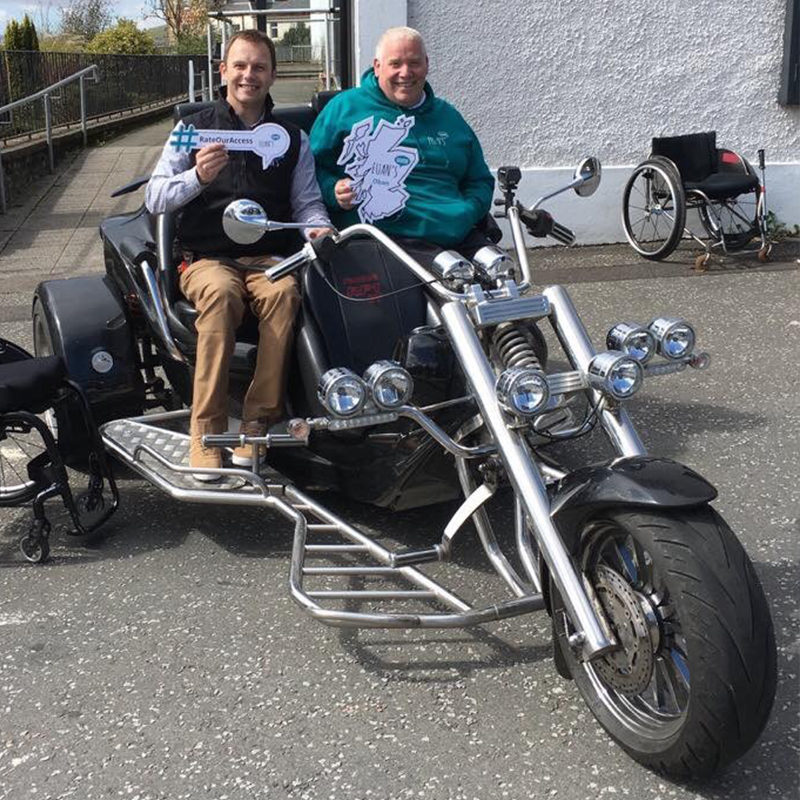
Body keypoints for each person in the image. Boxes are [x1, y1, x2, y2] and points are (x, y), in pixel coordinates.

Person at [145, 30, 331, 480]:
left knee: (286, 294)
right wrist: (197, 179)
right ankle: (205, 430)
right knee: (223, 296)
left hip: (269, 257)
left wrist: (319, 227)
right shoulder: (193, 130)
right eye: (241, 66)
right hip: (207, 257)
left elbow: (306, 201)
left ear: (272, 75)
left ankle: (256, 423)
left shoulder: (291, 138)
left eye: (260, 67)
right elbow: (155, 197)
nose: (250, 75)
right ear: (223, 71)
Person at [309, 26, 495, 267]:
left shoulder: (449, 117)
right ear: (377, 67)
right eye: (395, 63)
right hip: (384, 238)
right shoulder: (344, 108)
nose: (405, 73)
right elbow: (308, 170)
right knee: (452, 281)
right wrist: (332, 190)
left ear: (426, 64)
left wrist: (469, 210)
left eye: (414, 63)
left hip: (456, 231)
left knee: (501, 273)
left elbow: (480, 180)